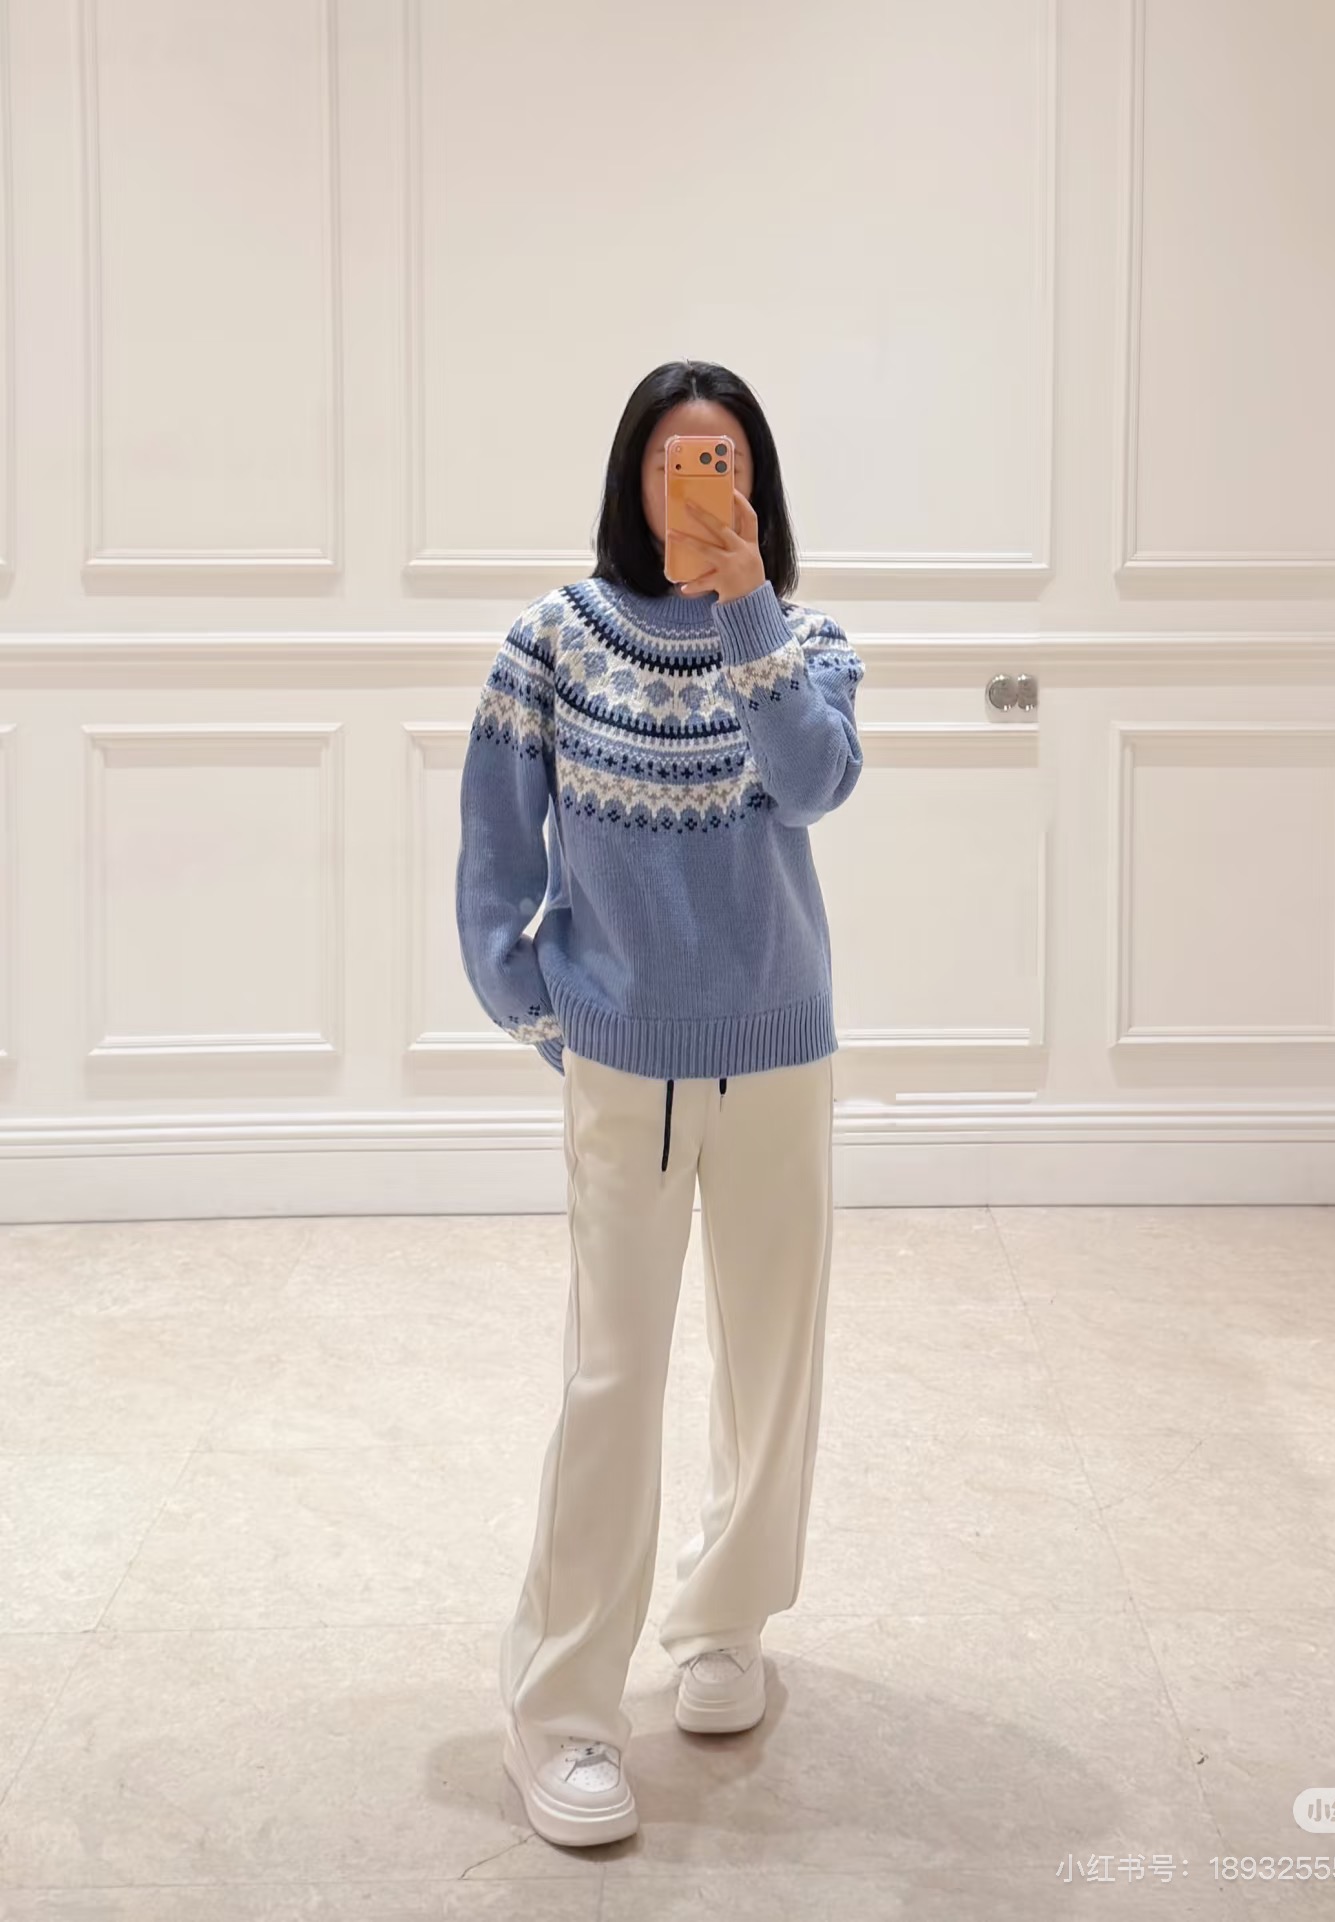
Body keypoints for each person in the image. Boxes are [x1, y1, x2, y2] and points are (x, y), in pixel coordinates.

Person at [455, 360, 866, 1847]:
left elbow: (813, 784)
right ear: (635, 478)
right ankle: (560, 1711)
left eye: (727, 460)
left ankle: (725, 1625)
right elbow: (495, 858)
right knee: (611, 1380)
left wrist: (748, 609)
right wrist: (549, 1014)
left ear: (756, 483)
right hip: (626, 1065)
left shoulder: (805, 640)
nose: (701, 482)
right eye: (677, 460)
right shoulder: (553, 642)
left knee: (771, 1367)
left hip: (779, 1055)